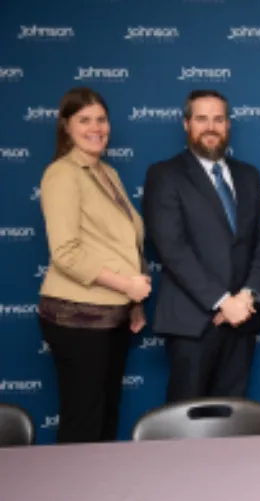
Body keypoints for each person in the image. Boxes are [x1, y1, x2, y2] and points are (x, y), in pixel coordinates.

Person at [142, 89, 260, 403]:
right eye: (201, 119)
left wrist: (246, 296)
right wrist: (221, 301)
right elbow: (171, 248)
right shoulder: (165, 175)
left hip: (242, 321)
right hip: (193, 322)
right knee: (186, 423)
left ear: (228, 126)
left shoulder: (248, 175)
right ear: (186, 124)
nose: (211, 127)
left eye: (218, 119)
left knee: (230, 424)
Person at [37, 87, 150, 444]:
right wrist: (126, 286)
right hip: (76, 317)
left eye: (101, 119)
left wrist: (133, 303)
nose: (95, 128)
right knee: (83, 422)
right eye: (84, 120)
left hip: (110, 316)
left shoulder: (106, 173)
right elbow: (66, 253)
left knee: (104, 417)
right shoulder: (62, 174)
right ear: (66, 126)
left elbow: (120, 242)